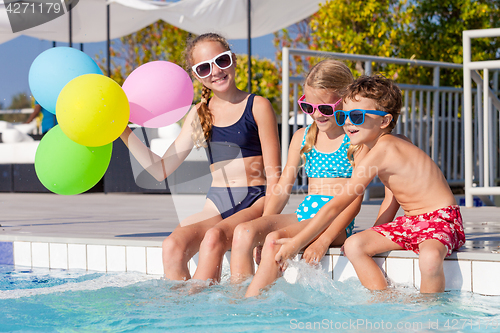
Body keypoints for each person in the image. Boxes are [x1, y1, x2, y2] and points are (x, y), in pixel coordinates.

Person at [272, 74, 466, 295]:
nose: (347, 122)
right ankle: (383, 300)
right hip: (411, 221)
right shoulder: (389, 144)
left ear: (384, 121)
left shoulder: (384, 150)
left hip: (442, 218)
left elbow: (339, 203)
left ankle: (429, 318)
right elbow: (392, 200)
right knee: (354, 245)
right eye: (344, 114)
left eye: (356, 116)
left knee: (430, 258)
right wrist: (377, 233)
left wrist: (296, 243)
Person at [120, 33, 281, 283]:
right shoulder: (199, 113)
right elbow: (160, 169)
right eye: (205, 67)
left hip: (255, 199)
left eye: (222, 61)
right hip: (216, 202)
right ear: (196, 75)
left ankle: (217, 309)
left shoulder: (257, 106)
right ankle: (181, 314)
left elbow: (275, 178)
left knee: (214, 237)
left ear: (233, 60)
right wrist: (123, 130)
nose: (215, 71)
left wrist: (267, 226)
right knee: (172, 245)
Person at [239, 59, 366, 296]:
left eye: (325, 108)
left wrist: (324, 239)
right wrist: (263, 224)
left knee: (275, 241)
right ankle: (236, 294)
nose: (316, 115)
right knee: (245, 231)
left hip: (336, 221)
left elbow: (355, 202)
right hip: (306, 213)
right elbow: (281, 189)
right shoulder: (303, 136)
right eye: (308, 107)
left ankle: (252, 304)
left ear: (345, 100)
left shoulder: (355, 141)